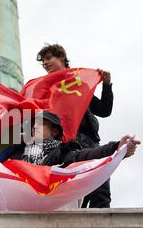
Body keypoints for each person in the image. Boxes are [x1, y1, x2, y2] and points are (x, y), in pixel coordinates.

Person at [36, 44, 114, 208]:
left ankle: (102, 226)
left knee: (100, 184)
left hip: (86, 139)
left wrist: (106, 86)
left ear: (62, 58)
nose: (45, 63)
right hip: (61, 145)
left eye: (49, 58)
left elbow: (104, 110)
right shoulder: (45, 89)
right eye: (43, 61)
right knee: (70, 186)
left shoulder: (78, 85)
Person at [10, 111, 140, 171]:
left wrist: (117, 147)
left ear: (54, 131)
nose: (34, 127)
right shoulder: (17, 153)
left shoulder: (62, 152)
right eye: (33, 125)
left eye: (41, 124)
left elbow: (88, 155)